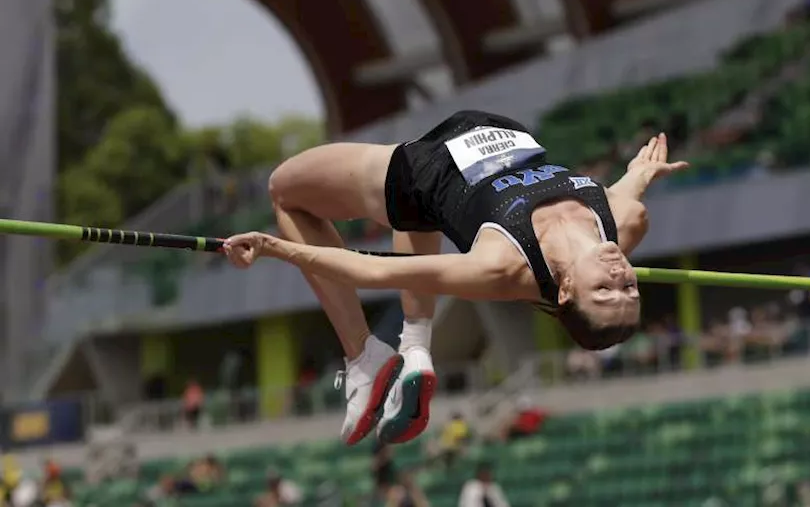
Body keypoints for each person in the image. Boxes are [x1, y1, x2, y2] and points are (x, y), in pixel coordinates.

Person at [222, 110, 688, 447]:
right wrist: (639, 174)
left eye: (604, 289)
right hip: (505, 138)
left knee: (285, 190)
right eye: (629, 286)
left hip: (429, 170)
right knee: (421, 218)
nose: (619, 275)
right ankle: (415, 349)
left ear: (565, 290)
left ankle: (365, 355)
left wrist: (273, 248)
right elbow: (619, 193)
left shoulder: (504, 264)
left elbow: (377, 270)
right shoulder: (627, 222)